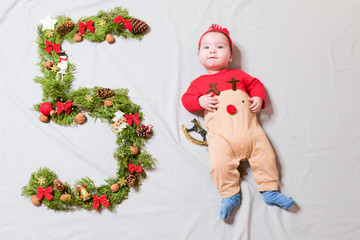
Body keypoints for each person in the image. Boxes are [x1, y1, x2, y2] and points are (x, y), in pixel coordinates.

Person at [181, 24, 294, 220]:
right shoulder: (198, 83)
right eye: (206, 48)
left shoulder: (239, 76)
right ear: (199, 55)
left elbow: (256, 84)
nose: (213, 50)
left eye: (220, 47)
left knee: (266, 157)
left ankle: (270, 191)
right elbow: (186, 100)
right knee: (218, 165)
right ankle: (229, 195)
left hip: (251, 132)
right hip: (221, 137)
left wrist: (258, 98)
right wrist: (199, 101)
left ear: (231, 56)